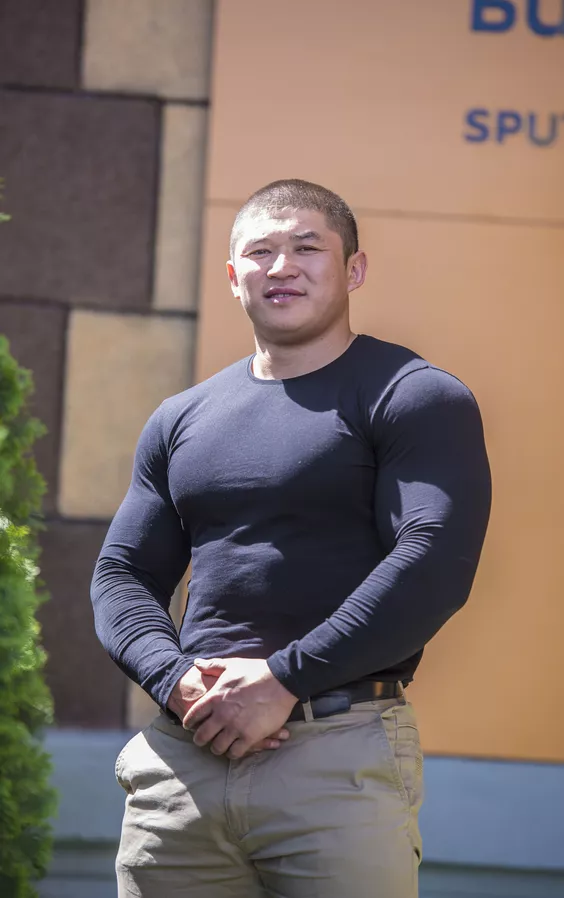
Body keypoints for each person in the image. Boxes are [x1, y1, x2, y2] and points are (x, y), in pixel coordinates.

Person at [91, 178, 492, 898]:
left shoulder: (413, 394)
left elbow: (434, 557)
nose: (282, 267)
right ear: (233, 275)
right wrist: (172, 677)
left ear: (354, 270)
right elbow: (122, 574)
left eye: (308, 248)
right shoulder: (182, 418)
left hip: (334, 759)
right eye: (261, 252)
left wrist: (286, 678)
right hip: (185, 759)